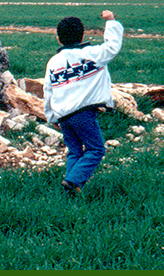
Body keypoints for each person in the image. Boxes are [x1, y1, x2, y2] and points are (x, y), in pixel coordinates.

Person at [43, 10, 123, 196]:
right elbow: (113, 46)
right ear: (83, 36)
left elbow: (48, 91)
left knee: (74, 151)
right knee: (96, 149)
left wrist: (51, 115)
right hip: (84, 114)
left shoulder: (53, 62)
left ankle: (70, 188)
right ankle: (73, 181)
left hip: (63, 116)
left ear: (58, 39)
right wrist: (110, 21)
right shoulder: (93, 54)